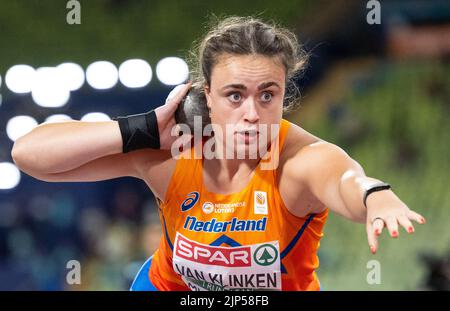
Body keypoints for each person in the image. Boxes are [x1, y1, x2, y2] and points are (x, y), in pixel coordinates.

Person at [11, 16, 426, 291]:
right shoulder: (171, 154)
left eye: (268, 95)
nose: (252, 114)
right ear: (204, 95)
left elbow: (345, 179)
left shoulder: (299, 162)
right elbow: (31, 155)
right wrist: (142, 129)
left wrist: (377, 195)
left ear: (284, 95)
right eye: (234, 95)